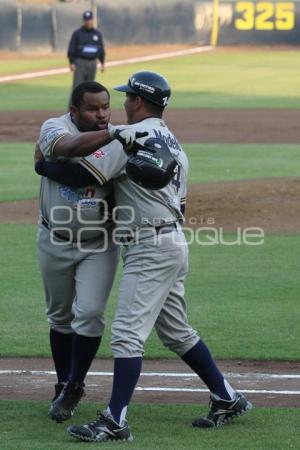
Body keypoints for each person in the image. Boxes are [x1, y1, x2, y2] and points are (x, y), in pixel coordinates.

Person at [36, 72, 252, 443]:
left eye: (125, 98)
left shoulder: (128, 137)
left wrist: (41, 164)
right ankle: (227, 397)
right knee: (177, 332)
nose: (120, 105)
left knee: (126, 336)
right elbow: (181, 203)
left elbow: (76, 172)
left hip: (148, 247)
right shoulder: (173, 143)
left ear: (137, 101)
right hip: (171, 242)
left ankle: (114, 420)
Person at [35, 81, 140, 424]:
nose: (102, 115)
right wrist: (111, 134)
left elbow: (78, 174)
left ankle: (75, 384)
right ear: (74, 111)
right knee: (60, 316)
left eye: (106, 107)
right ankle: (63, 382)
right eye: (93, 109)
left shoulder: (117, 139)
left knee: (91, 313)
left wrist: (43, 166)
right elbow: (69, 146)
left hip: (99, 242)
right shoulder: (55, 127)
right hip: (54, 238)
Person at [68, 10, 105, 92]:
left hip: (92, 63)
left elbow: (100, 49)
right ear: (84, 21)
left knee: (90, 87)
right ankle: (73, 105)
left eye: (90, 20)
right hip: (80, 62)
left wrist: (102, 62)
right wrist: (71, 62)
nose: (88, 22)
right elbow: (72, 48)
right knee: (77, 87)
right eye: (86, 20)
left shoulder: (97, 34)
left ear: (93, 20)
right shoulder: (77, 33)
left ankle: (88, 105)